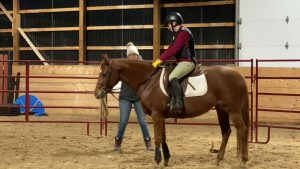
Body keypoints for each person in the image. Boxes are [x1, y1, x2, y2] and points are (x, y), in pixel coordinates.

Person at [152, 12, 196, 114]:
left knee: (172, 76)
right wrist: (159, 59)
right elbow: (170, 49)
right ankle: (171, 99)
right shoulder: (177, 35)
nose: (168, 27)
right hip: (181, 62)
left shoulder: (183, 33)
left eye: (168, 24)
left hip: (188, 61)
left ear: (174, 22)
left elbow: (174, 50)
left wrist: (159, 60)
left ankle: (179, 104)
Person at [114, 42, 154, 151]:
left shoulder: (142, 66)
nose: (132, 57)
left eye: (134, 55)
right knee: (123, 121)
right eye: (130, 55)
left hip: (138, 97)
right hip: (125, 97)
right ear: (128, 57)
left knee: (142, 120)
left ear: (137, 55)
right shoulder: (123, 66)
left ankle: (148, 142)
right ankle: (118, 142)